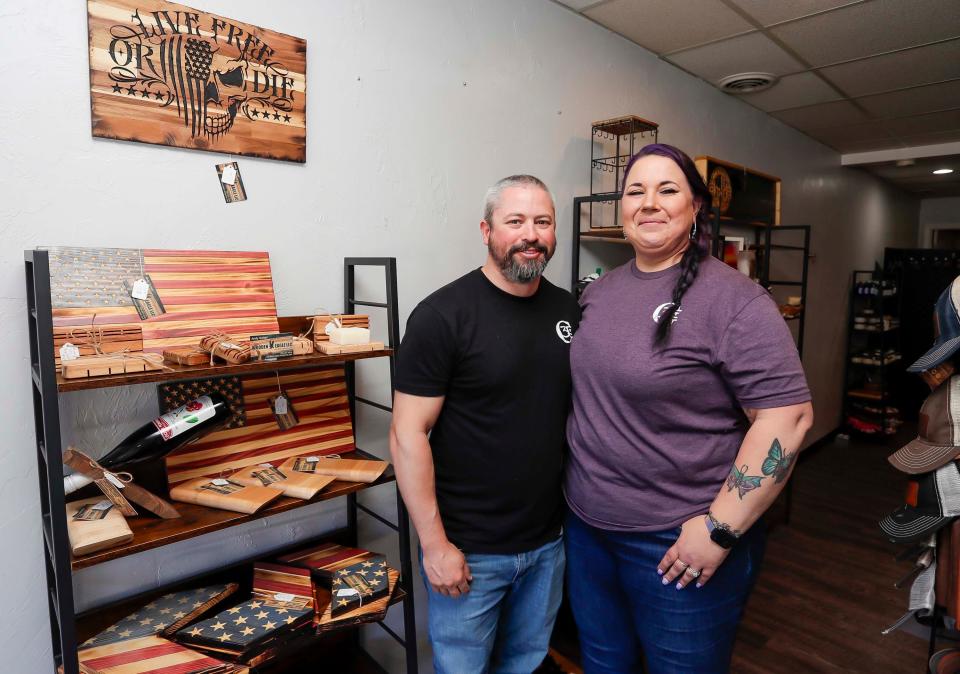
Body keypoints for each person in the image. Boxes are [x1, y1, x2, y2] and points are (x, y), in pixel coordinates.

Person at [564, 144, 814, 674]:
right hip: (587, 530)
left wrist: (721, 528)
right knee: (605, 664)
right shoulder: (598, 293)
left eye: (668, 189)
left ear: (696, 206)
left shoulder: (734, 300)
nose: (649, 203)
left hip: (677, 541)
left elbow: (786, 419)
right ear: (621, 208)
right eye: (636, 191)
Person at [390, 174, 580, 673]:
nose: (531, 234)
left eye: (543, 221)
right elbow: (407, 434)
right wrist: (435, 546)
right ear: (486, 230)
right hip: (468, 552)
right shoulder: (441, 315)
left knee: (526, 663)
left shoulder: (568, 310)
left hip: (547, 543)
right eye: (515, 220)